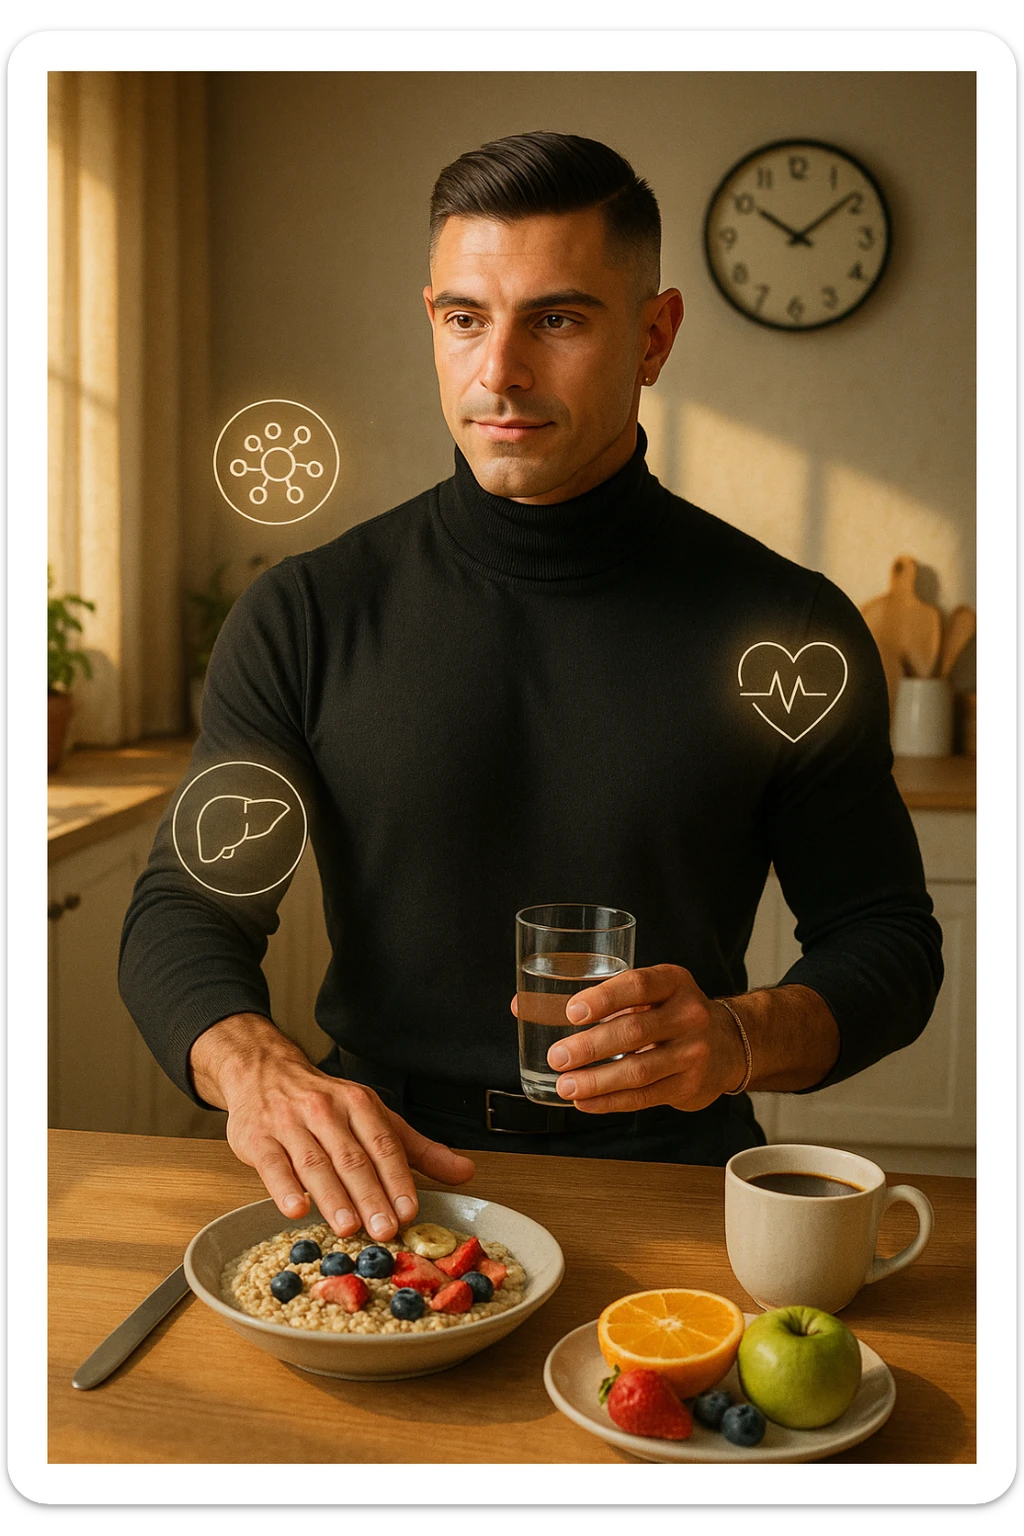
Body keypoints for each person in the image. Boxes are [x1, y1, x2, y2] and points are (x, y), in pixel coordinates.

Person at [120, 131, 942, 1247]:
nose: (497, 371)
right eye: (465, 318)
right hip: (380, 1181)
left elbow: (885, 939)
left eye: (555, 319)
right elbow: (187, 909)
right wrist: (255, 1064)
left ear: (653, 336)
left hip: (672, 1182)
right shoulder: (309, 614)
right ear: (433, 322)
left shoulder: (784, 629)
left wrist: (739, 1038)